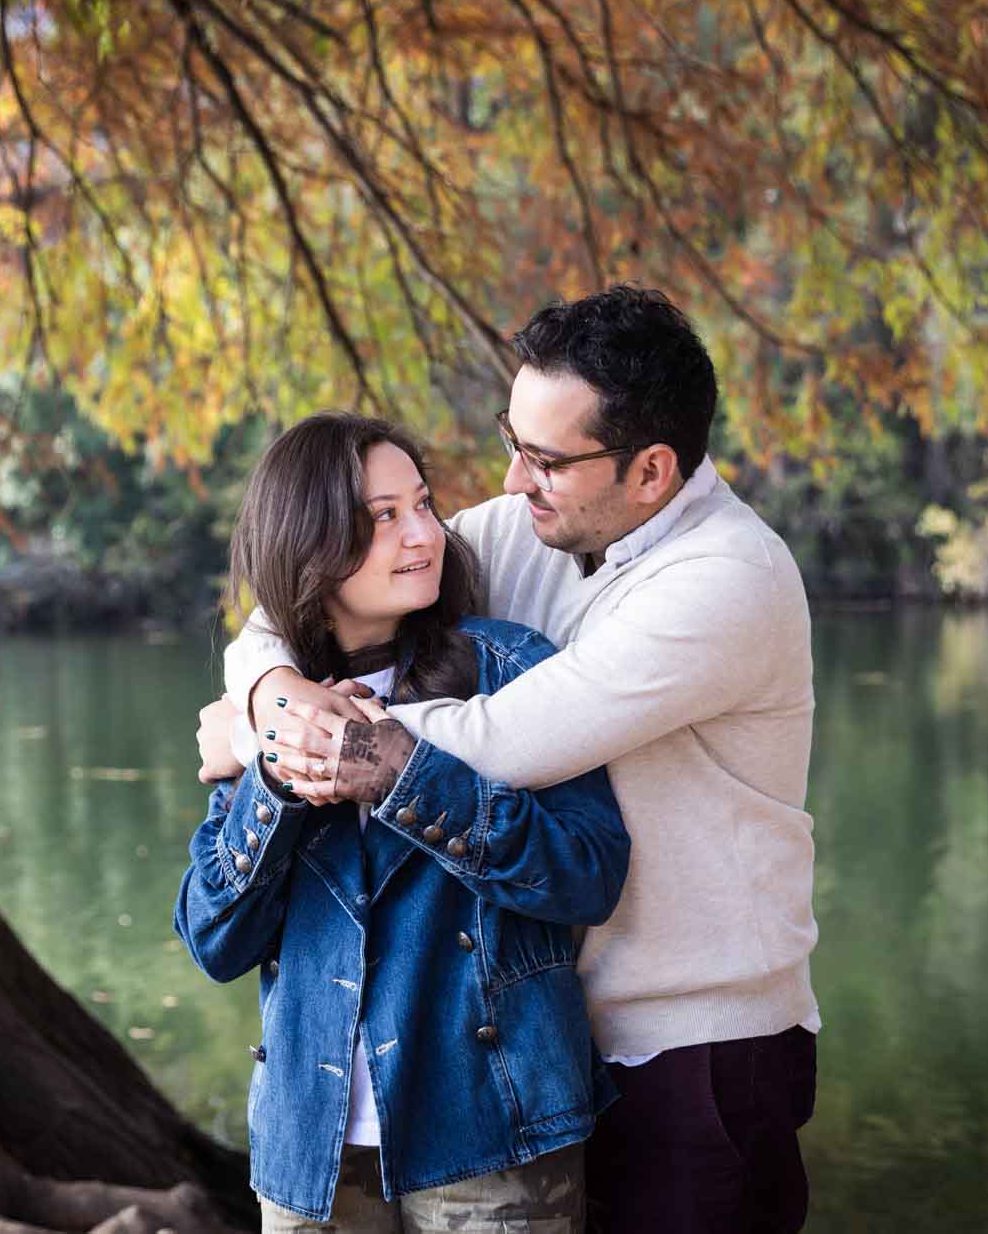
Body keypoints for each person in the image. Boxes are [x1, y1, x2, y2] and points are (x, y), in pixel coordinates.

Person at [204, 286, 820, 1234]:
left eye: (545, 458)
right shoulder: (526, 529)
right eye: (512, 439)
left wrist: (282, 748)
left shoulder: (726, 579)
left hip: (697, 1045)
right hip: (553, 1044)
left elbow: (501, 741)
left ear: (651, 470)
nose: (512, 477)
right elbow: (295, 597)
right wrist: (261, 697)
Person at [175, 411, 631, 1232]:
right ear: (308, 541)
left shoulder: (510, 668)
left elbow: (588, 873)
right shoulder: (270, 706)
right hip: (309, 1147)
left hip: (494, 1122)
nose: (424, 533)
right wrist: (278, 777)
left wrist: (401, 775)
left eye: (422, 503)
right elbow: (215, 938)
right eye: (382, 516)